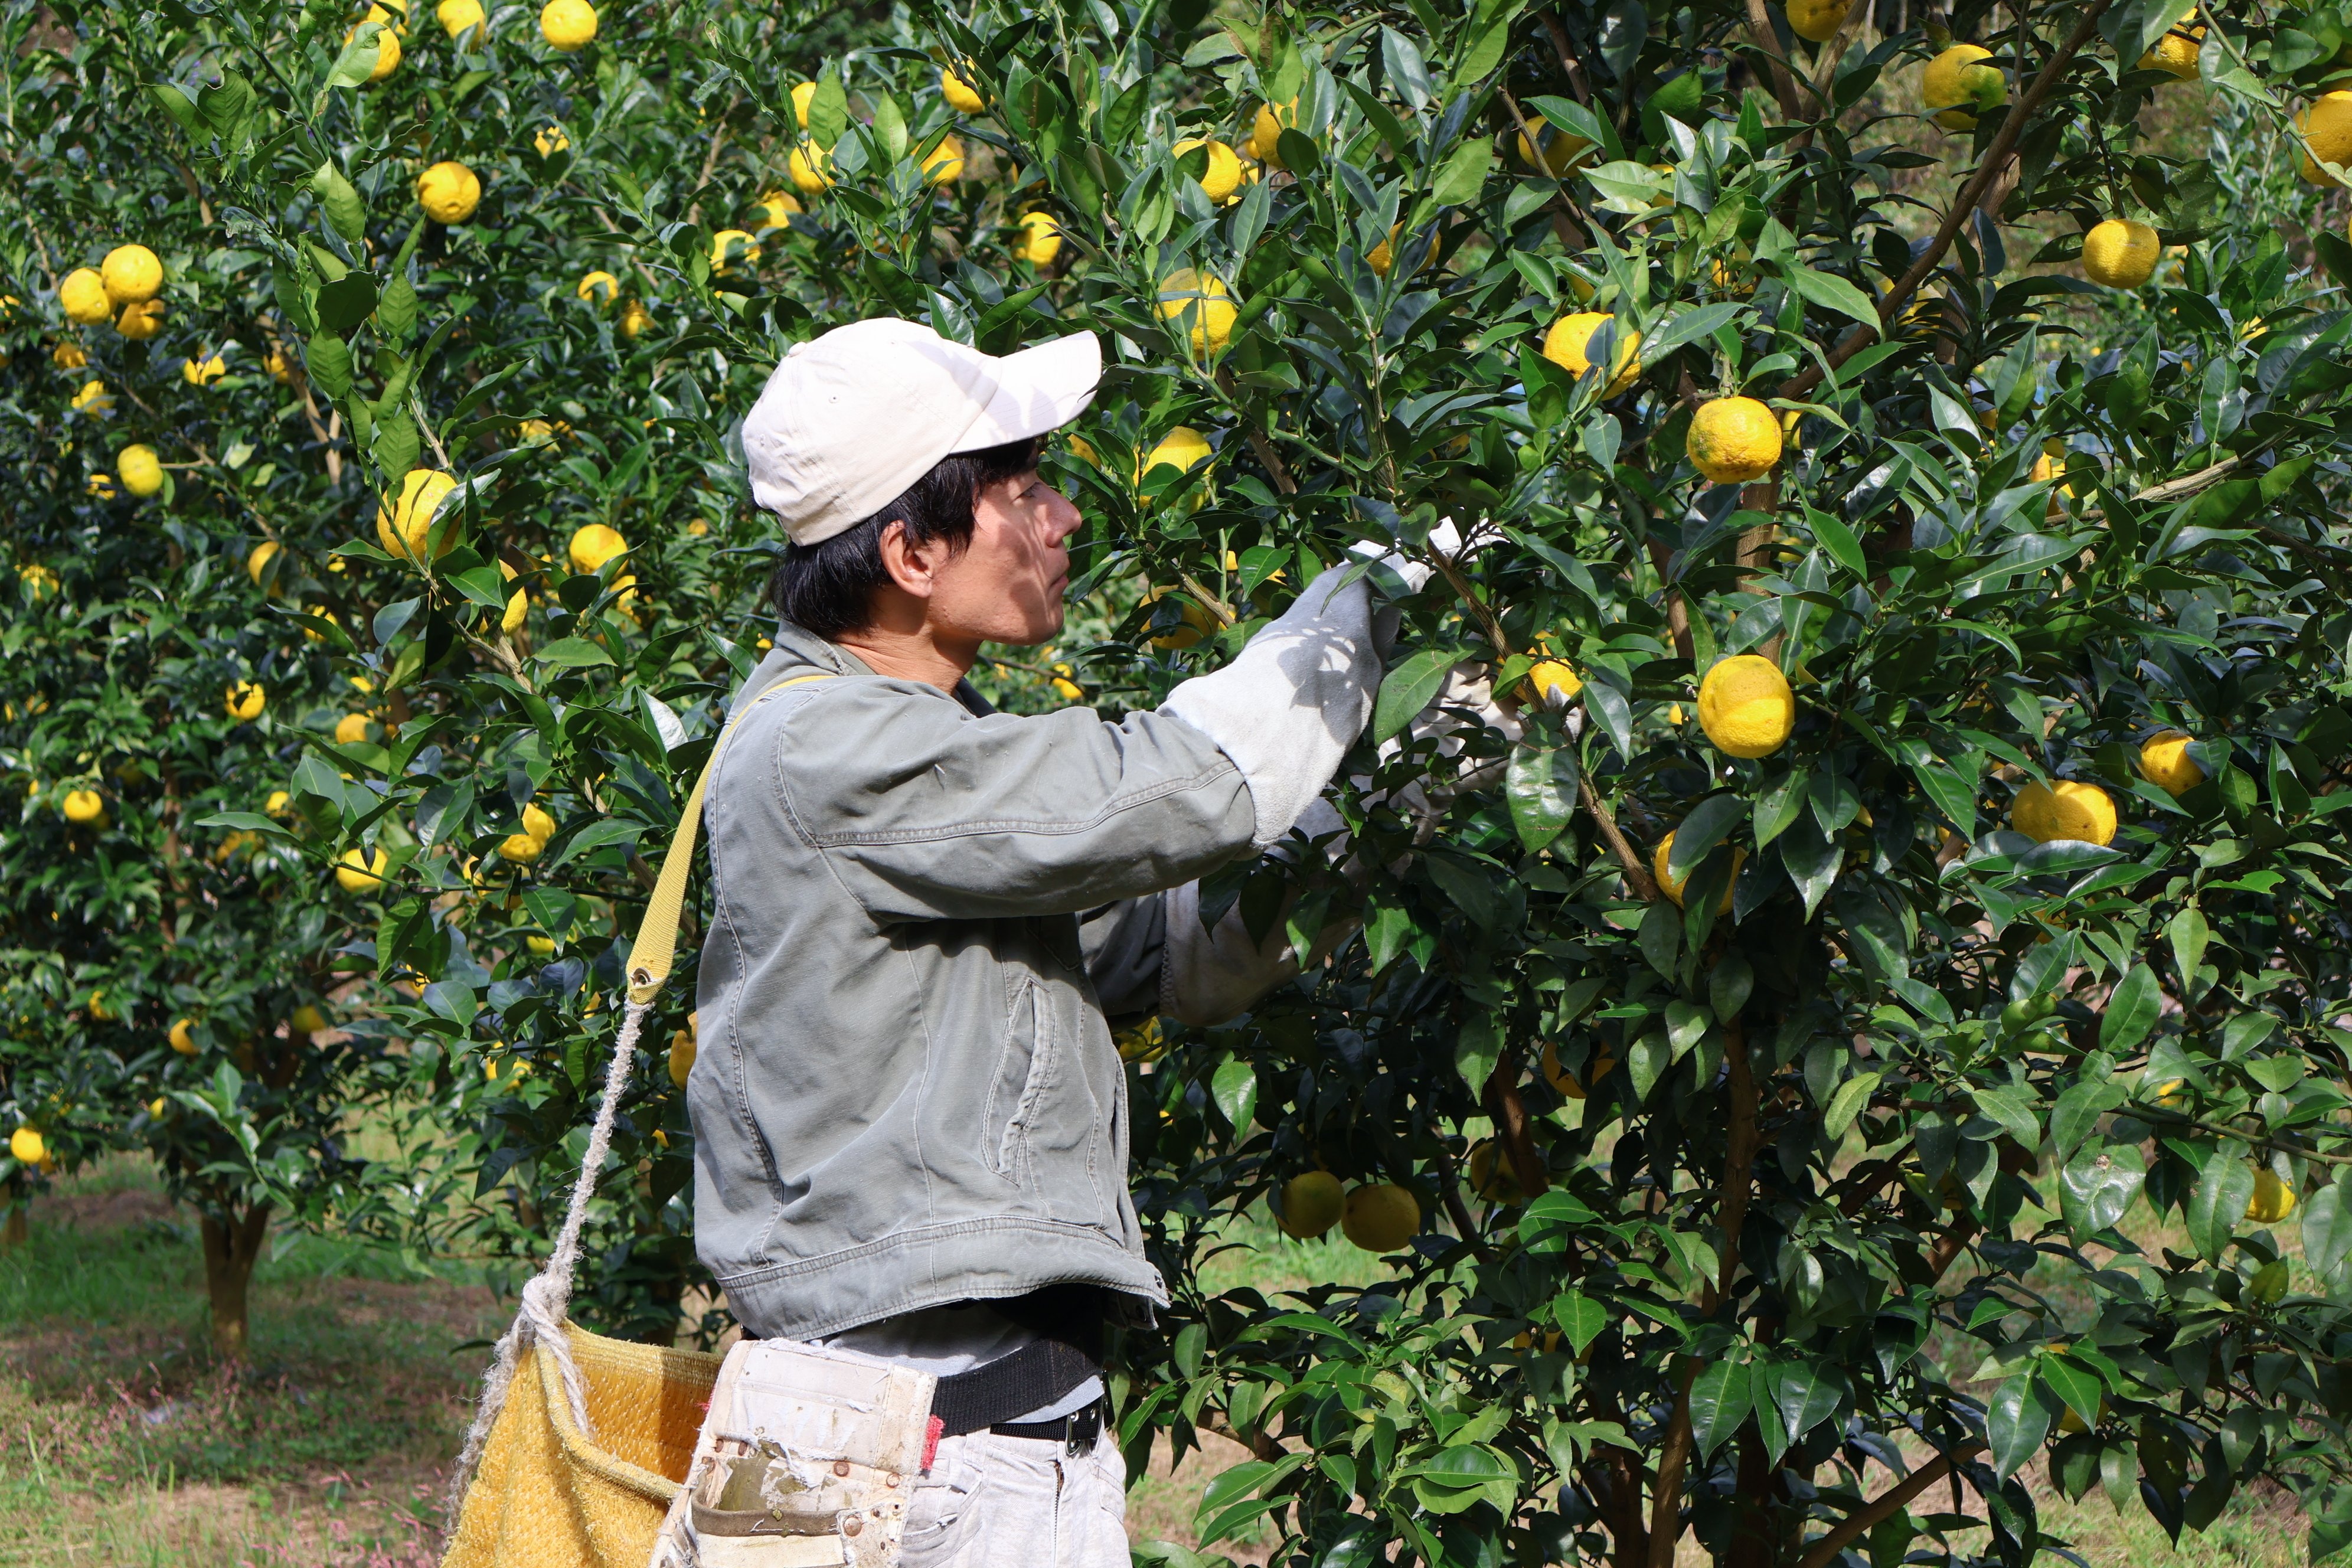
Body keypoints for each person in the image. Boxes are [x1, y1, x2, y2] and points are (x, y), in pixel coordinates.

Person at [690, 317, 1431, 1566]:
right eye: (1024, 490)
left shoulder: (918, 746)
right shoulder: (835, 750)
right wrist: (1375, 604)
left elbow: (1177, 954)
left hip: (918, 1429)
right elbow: (1198, 781)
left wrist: (1419, 788)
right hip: (926, 1455)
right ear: (911, 550)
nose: (1066, 516)